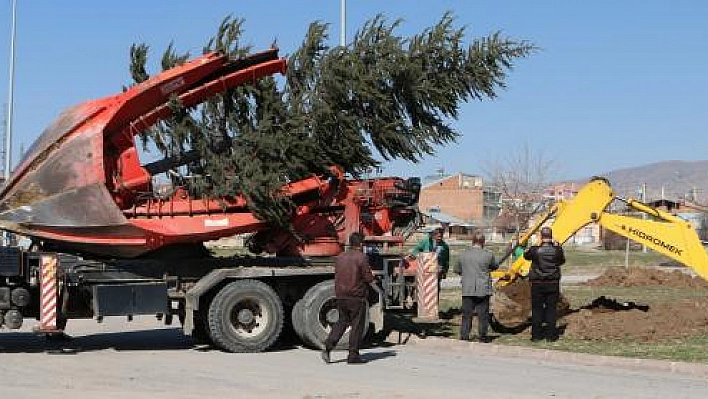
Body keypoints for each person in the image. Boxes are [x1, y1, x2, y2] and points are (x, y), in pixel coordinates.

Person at [321, 232, 381, 365]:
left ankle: (328, 346)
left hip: (341, 295)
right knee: (357, 325)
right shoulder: (361, 258)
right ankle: (353, 355)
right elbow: (367, 278)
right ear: (360, 244)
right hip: (356, 296)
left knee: (341, 322)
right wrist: (375, 280)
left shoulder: (340, 257)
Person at [453, 232, 499, 342]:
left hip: (467, 288)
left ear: (472, 241)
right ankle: (482, 336)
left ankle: (464, 335)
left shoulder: (463, 254)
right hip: (483, 288)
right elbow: (494, 266)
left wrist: (467, 274)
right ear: (483, 242)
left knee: (466, 314)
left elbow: (457, 270)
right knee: (483, 314)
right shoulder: (488, 255)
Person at [523, 226, 565, 342]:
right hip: (552, 283)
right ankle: (551, 336)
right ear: (551, 236)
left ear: (541, 236)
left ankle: (536, 336)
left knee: (537, 310)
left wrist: (535, 244)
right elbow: (562, 261)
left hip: (537, 283)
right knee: (551, 310)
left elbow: (525, 256)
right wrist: (558, 246)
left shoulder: (535, 250)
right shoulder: (557, 250)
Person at [409, 228, 450, 298]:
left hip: (437, 271)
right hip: (425, 271)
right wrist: (419, 256)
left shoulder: (445, 246)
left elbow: (446, 260)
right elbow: (416, 250)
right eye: (438, 236)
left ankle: (434, 306)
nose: (439, 238)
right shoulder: (425, 241)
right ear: (433, 235)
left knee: (435, 290)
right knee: (424, 290)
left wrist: (445, 271)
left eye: (441, 236)